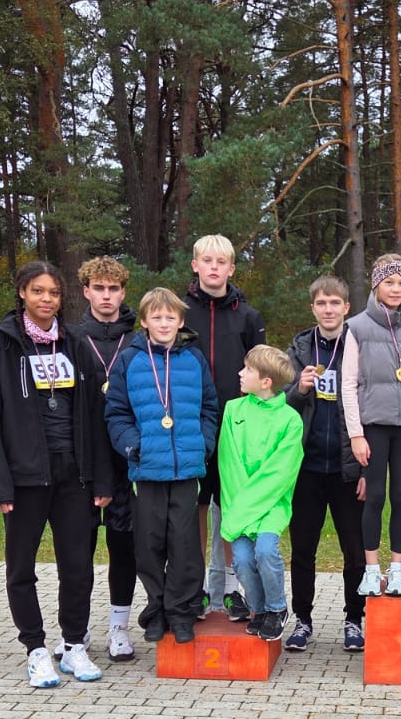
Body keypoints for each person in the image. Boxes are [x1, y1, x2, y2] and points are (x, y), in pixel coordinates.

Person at [0, 261, 114, 688]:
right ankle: (36, 650)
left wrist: (102, 479)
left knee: (78, 566)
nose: (46, 299)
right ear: (22, 292)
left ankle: (73, 645)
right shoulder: (0, 346)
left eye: (53, 293)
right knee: (21, 568)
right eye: (38, 291)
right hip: (25, 478)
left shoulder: (76, 343)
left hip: (74, 475)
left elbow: (95, 415)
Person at [105, 287, 220, 646]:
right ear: (144, 321)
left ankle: (182, 612)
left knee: (185, 546)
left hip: (186, 469)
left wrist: (204, 443)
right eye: (157, 317)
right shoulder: (130, 360)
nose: (164, 323)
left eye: (171, 317)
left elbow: (210, 408)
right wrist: (133, 445)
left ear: (181, 321)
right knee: (149, 546)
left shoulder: (194, 359)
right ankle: (156, 610)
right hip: (147, 469)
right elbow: (117, 413)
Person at [184, 235, 268, 623]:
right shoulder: (180, 312)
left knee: (233, 508)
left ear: (232, 268)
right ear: (195, 265)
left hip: (237, 426)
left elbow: (261, 373)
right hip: (191, 425)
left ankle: (234, 589)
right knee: (196, 508)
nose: (214, 267)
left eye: (221, 262)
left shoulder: (248, 316)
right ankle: (197, 588)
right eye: (207, 261)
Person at [342, 253, 401, 597]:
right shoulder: (357, 327)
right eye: (389, 282)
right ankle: (372, 570)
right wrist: (356, 434)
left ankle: (397, 569)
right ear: (376, 285)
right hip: (373, 427)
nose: (395, 289)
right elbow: (348, 384)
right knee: (375, 496)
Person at [284, 275, 368, 653]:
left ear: (347, 307)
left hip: (349, 468)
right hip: (307, 467)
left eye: (335, 303)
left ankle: (354, 619)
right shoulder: (300, 347)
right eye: (321, 303)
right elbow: (281, 403)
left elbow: (372, 407)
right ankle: (302, 620)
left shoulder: (360, 344)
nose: (328, 309)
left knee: (355, 550)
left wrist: (368, 469)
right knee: (303, 549)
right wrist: (299, 389)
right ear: (313, 308)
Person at [73, 256, 139, 662]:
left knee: (123, 545)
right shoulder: (72, 338)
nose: (106, 296)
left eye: (113, 289)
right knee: (78, 549)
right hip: (82, 458)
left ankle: (119, 628)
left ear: (123, 292)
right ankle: (76, 631)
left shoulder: (138, 339)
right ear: (86, 292)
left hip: (123, 459)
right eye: (99, 288)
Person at [219, 344, 303, 642]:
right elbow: (229, 462)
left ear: (266, 381)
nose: (240, 373)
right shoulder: (233, 410)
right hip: (239, 504)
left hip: (271, 505)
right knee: (242, 560)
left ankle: (277, 609)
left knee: (266, 551)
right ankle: (259, 610)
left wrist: (253, 505)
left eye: (248, 369)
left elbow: (280, 472)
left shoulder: (290, 420)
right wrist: (241, 506)